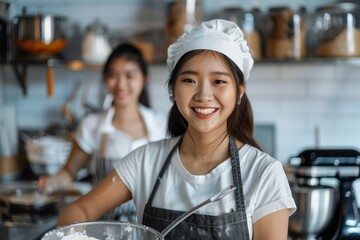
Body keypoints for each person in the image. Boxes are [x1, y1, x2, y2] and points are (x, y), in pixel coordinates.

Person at [56, 19, 296, 239]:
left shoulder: (264, 174)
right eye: (189, 80)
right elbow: (79, 210)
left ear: (239, 92)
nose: (203, 95)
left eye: (219, 81)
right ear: (173, 89)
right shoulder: (144, 162)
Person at [37, 43, 168, 221]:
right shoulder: (91, 125)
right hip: (104, 226)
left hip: (150, 226)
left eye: (130, 75)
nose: (121, 84)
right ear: (105, 79)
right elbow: (68, 173)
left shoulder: (161, 125)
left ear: (144, 79)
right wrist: (51, 183)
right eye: (113, 75)